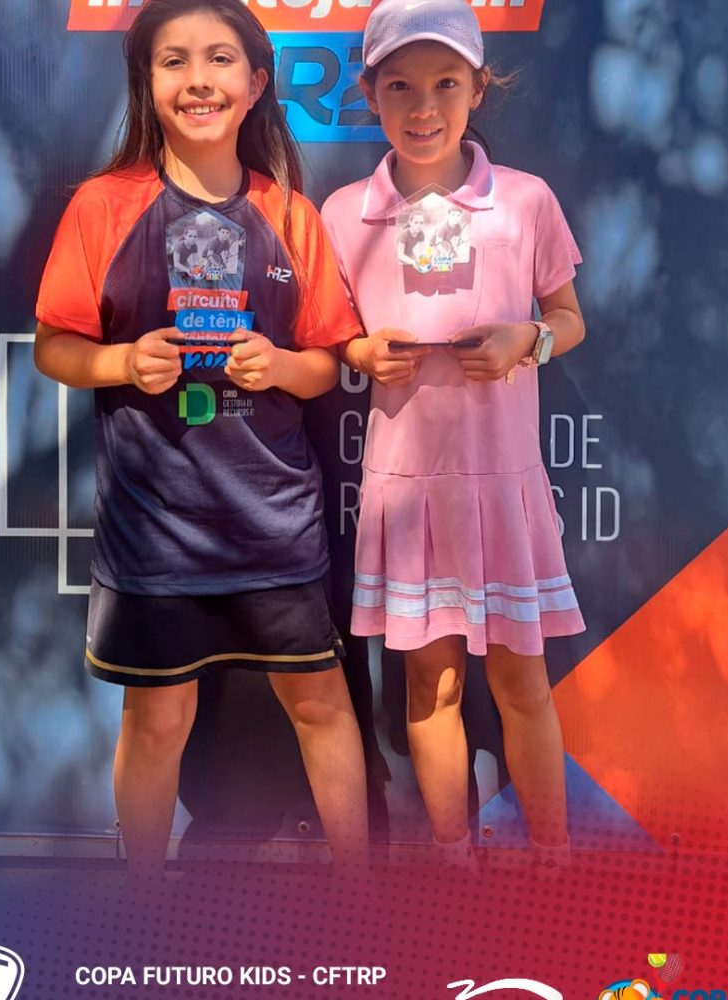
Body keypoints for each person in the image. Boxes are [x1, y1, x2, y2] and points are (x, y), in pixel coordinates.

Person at [34, 0, 369, 885]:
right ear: (147, 82)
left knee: (322, 706)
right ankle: (143, 900)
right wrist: (120, 362)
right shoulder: (103, 206)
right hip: (155, 531)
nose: (198, 80)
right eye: (173, 60)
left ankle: (361, 893)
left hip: (275, 525)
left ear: (256, 83)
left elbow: (327, 365)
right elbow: (53, 346)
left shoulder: (291, 213)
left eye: (220, 59)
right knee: (156, 723)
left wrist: (279, 366)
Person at [321, 0, 586, 872]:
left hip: (503, 487)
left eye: (444, 83)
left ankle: (553, 861)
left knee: (521, 684)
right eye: (399, 86)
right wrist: (361, 351)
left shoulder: (527, 200)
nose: (423, 106)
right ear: (369, 94)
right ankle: (452, 863)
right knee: (428, 689)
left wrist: (527, 339)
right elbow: (328, 336)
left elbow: (568, 317)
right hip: (407, 494)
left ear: (478, 88)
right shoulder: (343, 213)